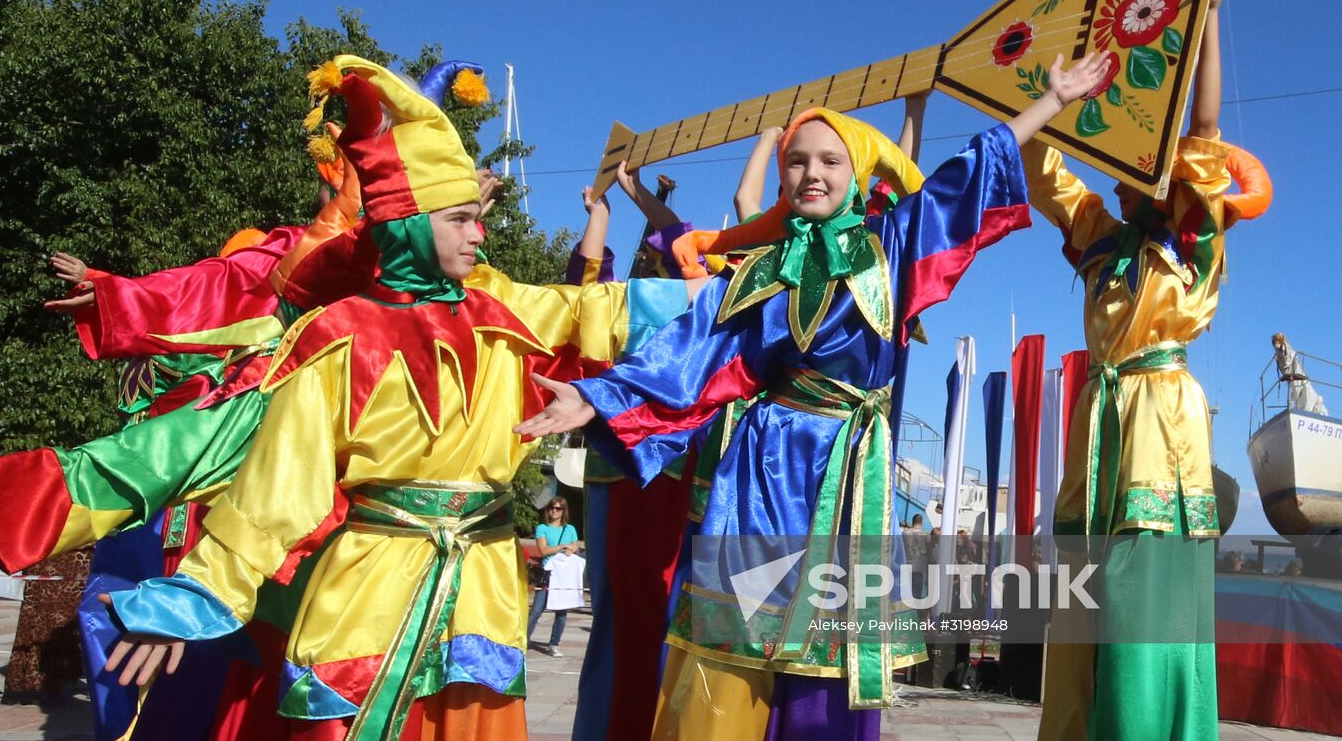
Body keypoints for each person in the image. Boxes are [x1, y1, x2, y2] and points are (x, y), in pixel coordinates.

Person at [100, 55, 697, 741]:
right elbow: (275, 492)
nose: (480, 233)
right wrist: (196, 593)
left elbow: (606, 308)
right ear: (411, 224)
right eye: (461, 220)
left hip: (483, 592)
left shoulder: (505, 311)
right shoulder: (339, 335)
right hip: (369, 593)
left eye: (479, 219)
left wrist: (749, 292)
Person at [517, 50, 1109, 738]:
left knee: (825, 673)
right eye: (796, 160)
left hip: (850, 477)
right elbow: (693, 352)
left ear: (853, 175)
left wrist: (1052, 100)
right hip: (762, 474)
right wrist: (598, 399)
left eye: (829, 160)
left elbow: (965, 179)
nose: (812, 173)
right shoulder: (762, 270)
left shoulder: (890, 248)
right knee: (731, 654)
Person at [1028, 0, 1254, 741]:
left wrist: (1211, 15)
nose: (1134, 166)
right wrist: (1048, 94)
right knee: (1086, 602)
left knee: (1140, 600)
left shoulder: (1190, 240)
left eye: (1146, 154)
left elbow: (1205, 134)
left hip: (1160, 421)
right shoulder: (1100, 238)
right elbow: (1044, 174)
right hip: (1100, 422)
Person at [527, 499, 580, 658]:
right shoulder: (542, 528)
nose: (554, 511)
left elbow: (575, 546)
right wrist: (562, 547)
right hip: (547, 574)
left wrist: (571, 549)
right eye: (552, 508)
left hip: (563, 575)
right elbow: (543, 550)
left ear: (563, 511)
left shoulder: (570, 529)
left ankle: (554, 644)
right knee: (536, 610)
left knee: (561, 612)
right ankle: (523, 640)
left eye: (558, 508)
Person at [902, 515, 930, 601]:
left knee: (905, 594)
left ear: (913, 521)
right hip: (919, 568)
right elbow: (928, 551)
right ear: (921, 522)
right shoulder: (926, 534)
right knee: (918, 594)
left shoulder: (905, 533)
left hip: (906, 565)